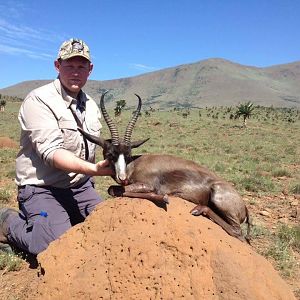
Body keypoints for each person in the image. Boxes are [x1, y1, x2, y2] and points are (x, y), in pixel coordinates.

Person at [0, 38, 113, 255]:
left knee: (110, 226)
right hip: (42, 188)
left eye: (81, 66)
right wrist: (94, 170)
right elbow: (52, 153)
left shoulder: (90, 105)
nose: (75, 72)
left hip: (80, 187)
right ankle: (8, 223)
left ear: (90, 70)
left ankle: (63, 216)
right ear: (57, 65)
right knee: (57, 248)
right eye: (69, 65)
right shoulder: (39, 100)